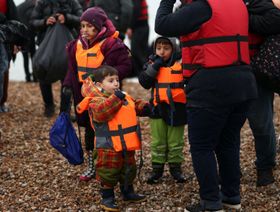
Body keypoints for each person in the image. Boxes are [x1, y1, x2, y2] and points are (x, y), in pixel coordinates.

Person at [155, 0, 258, 211]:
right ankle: (231, 196)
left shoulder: (203, 7)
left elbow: (162, 25)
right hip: (243, 84)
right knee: (228, 143)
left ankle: (211, 202)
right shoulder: (238, 4)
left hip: (211, 86)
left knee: (202, 146)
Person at [62, 7, 132, 182]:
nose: (83, 29)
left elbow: (127, 66)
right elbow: (72, 70)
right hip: (84, 96)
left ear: (98, 26)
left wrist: (107, 77)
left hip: (107, 98)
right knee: (88, 129)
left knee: (109, 131)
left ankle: (115, 165)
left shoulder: (112, 44)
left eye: (87, 26)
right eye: (82, 25)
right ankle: (93, 165)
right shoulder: (75, 45)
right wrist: (67, 85)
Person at [76, 65, 148, 211]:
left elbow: (134, 104)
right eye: (111, 80)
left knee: (128, 168)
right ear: (99, 85)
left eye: (117, 80)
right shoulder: (95, 101)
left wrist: (147, 107)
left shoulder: (121, 95)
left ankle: (128, 192)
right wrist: (117, 98)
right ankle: (107, 197)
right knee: (108, 171)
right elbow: (102, 113)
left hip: (126, 144)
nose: (116, 83)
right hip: (108, 147)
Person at [138, 36, 187, 184]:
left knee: (175, 141)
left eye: (166, 48)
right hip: (157, 108)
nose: (162, 52)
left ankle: (175, 169)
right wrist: (155, 66)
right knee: (158, 141)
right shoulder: (152, 64)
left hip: (177, 109)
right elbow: (144, 82)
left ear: (174, 49)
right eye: (158, 48)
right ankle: (157, 169)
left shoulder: (181, 64)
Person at [246, 0, 280, 187]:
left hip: (258, 72)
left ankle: (265, 166)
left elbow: (276, 20)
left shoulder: (259, 2)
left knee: (261, 123)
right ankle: (229, 168)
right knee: (227, 125)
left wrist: (241, 18)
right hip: (227, 71)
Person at [30, 0, 83, 117]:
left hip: (68, 44)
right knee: (43, 72)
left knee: (67, 78)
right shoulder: (42, 3)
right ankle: (49, 106)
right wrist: (45, 21)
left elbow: (82, 18)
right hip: (45, 43)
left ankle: (65, 110)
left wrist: (67, 18)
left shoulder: (72, 2)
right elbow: (33, 21)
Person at [0, 0, 18, 113]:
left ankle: (2, 102)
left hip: (4, 40)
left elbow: (14, 20)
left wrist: (16, 42)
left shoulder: (7, 1)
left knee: (4, 71)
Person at [126, 0, 149, 76]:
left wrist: (130, 27)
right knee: (141, 51)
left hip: (139, 27)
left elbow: (136, 11)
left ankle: (144, 73)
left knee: (137, 52)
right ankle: (143, 73)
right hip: (143, 26)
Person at [17, 0, 37, 82]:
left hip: (22, 36)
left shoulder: (19, 7)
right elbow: (34, 21)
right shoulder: (33, 5)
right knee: (33, 57)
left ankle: (27, 77)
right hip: (31, 35)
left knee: (25, 57)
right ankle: (35, 77)